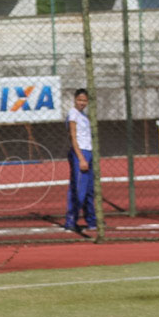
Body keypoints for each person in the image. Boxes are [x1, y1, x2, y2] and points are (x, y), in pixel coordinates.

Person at [65, 88, 96, 232]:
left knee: (90, 190)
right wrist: (81, 158)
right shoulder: (73, 114)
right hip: (80, 153)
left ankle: (91, 220)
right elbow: (73, 137)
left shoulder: (84, 116)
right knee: (79, 189)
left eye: (84, 100)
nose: (82, 103)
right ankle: (71, 221)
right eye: (79, 100)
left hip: (88, 152)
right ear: (75, 100)